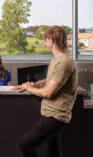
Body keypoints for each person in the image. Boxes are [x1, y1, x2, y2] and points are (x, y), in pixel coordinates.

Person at [12, 26, 78, 157]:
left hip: (55, 116)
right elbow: (51, 79)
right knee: (53, 149)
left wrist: (29, 88)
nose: (45, 42)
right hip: (49, 113)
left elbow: (48, 93)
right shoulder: (56, 60)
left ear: (52, 40)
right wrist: (35, 84)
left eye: (46, 40)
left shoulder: (64, 63)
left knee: (25, 144)